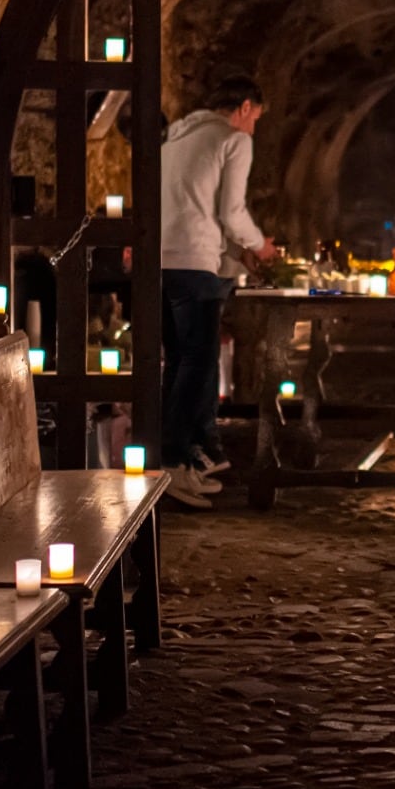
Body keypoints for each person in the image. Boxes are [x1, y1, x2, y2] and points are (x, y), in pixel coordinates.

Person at [160, 74, 275, 505]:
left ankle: (186, 456)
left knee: (179, 362)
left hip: (162, 262)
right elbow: (230, 210)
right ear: (245, 107)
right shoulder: (233, 140)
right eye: (256, 119)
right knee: (199, 364)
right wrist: (259, 245)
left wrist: (234, 252)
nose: (253, 129)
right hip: (196, 266)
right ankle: (172, 461)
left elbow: (194, 205)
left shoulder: (175, 139)